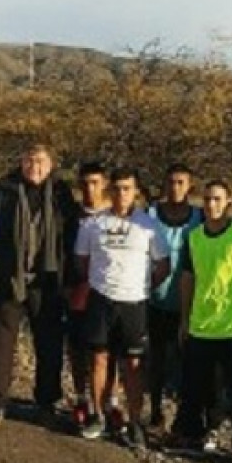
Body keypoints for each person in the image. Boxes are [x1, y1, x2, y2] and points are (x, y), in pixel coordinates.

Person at [0, 143, 78, 430]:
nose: (35, 167)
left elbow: (72, 236)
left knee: (48, 345)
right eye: (30, 161)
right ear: (21, 163)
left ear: (51, 165)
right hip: (7, 279)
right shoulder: (1, 191)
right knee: (2, 345)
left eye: (41, 162)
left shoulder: (61, 194)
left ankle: (46, 402)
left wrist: (69, 279)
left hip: (47, 283)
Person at [171, 180, 232, 463]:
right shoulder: (194, 236)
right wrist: (184, 319)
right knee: (195, 386)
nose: (211, 205)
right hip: (201, 325)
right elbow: (187, 279)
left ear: (228, 203)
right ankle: (191, 434)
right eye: (207, 199)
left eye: (217, 200)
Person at [75, 168, 170, 447]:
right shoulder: (93, 224)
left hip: (134, 304)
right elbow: (81, 260)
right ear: (109, 191)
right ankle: (98, 414)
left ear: (136, 192)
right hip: (101, 300)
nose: (121, 194)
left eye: (127, 188)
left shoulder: (148, 226)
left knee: (133, 365)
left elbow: (163, 266)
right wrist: (97, 282)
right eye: (116, 188)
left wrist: (142, 287)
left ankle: (135, 421)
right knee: (99, 359)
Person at [146, 163, 202, 431]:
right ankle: (155, 412)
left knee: (186, 364)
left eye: (181, 182)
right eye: (170, 182)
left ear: (190, 186)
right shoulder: (150, 214)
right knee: (155, 360)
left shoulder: (199, 218)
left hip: (188, 303)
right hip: (154, 299)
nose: (175, 187)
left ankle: (185, 418)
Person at [66, 162, 109, 428]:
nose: (89, 188)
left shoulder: (116, 214)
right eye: (84, 183)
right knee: (77, 347)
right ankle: (81, 396)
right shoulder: (72, 216)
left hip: (107, 291)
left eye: (94, 182)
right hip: (77, 290)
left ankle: (109, 400)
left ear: (104, 183)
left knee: (105, 350)